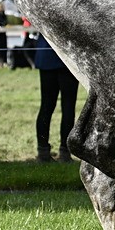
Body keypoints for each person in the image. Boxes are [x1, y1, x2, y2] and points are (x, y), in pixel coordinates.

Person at [33, 33, 78, 163]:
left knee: (46, 106)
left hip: (47, 56)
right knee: (68, 107)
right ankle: (64, 152)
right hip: (66, 57)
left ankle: (43, 152)